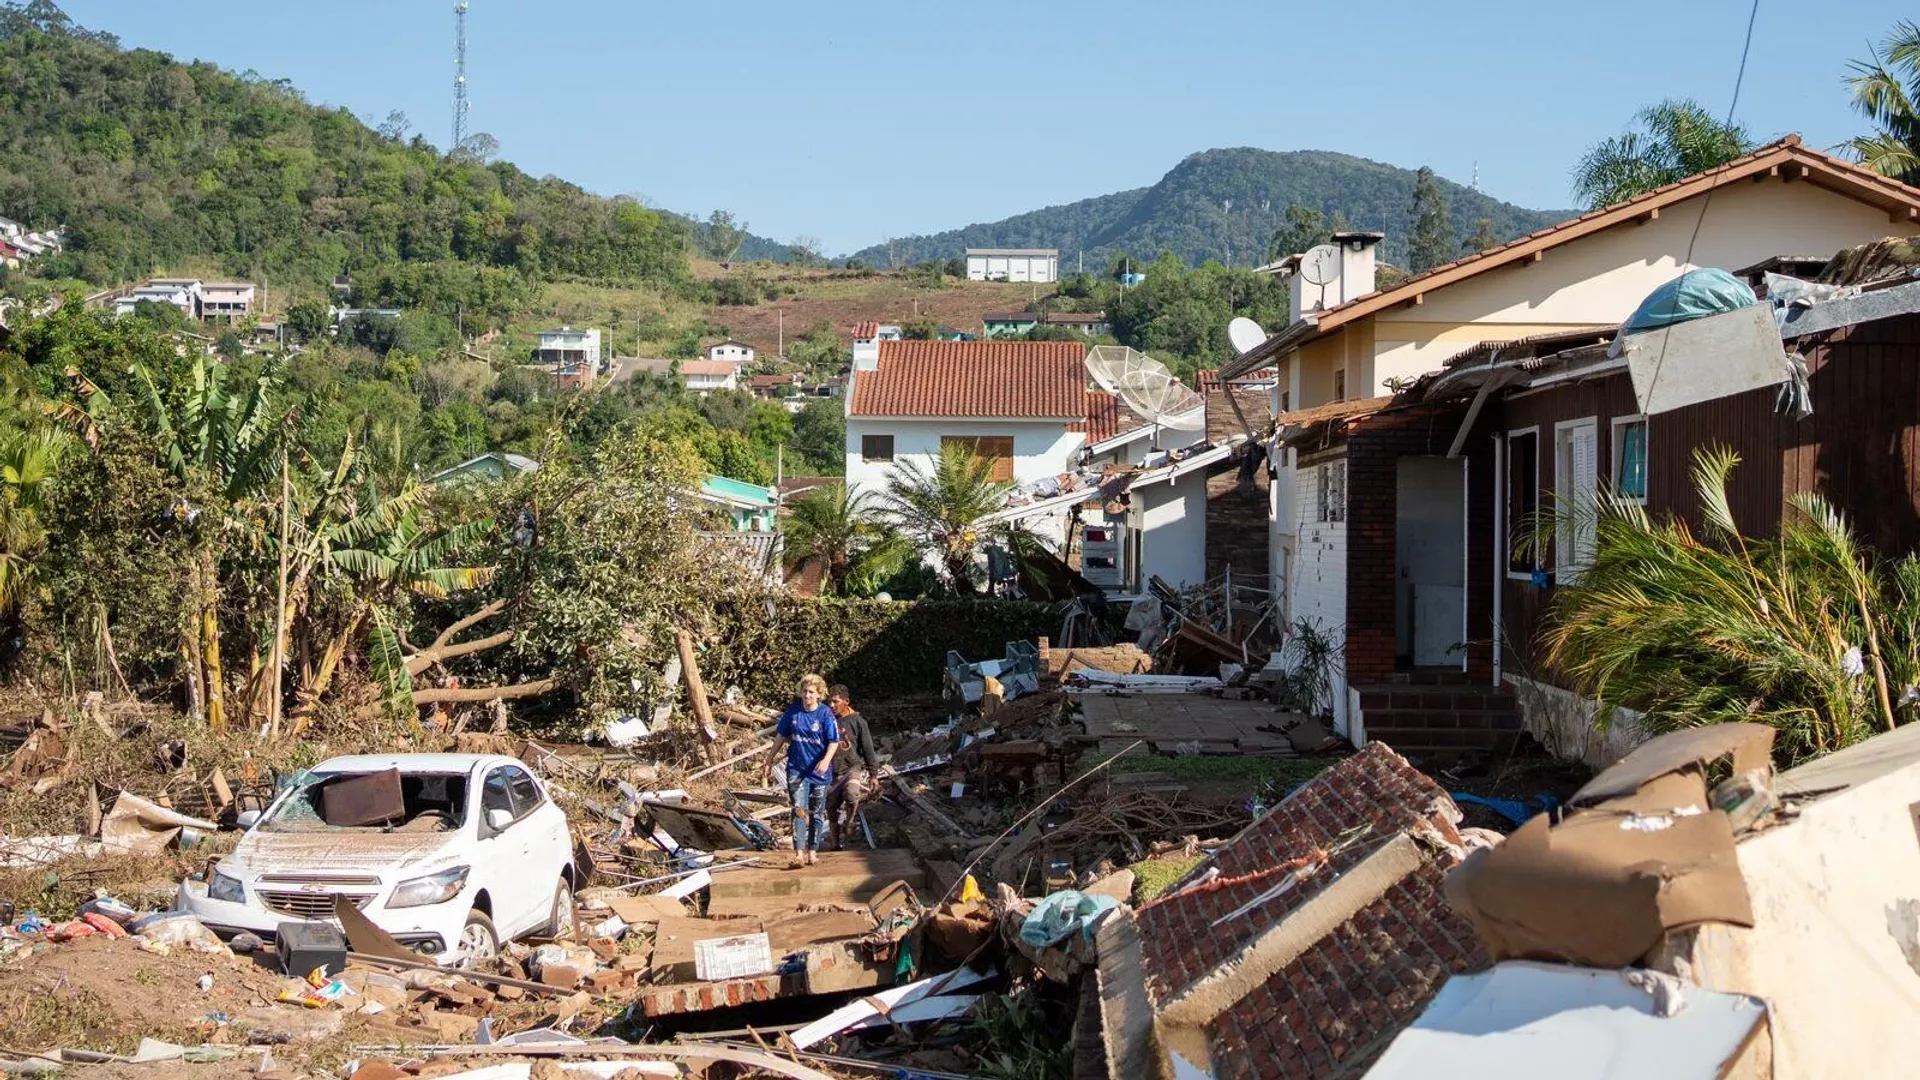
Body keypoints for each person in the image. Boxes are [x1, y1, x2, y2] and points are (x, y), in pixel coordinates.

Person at [766, 673, 838, 868]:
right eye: (805, 691)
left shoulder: (825, 715)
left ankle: (812, 851)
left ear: (819, 695)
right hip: (797, 769)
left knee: (816, 811)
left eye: (811, 692)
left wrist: (826, 760)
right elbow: (781, 736)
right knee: (798, 810)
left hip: (819, 771)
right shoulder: (793, 712)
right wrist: (769, 759)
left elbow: (833, 741)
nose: (807, 696)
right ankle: (798, 854)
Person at [824, 684, 881, 850]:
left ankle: (850, 821)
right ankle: (836, 843)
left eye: (836, 702)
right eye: (830, 702)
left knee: (851, 794)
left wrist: (874, 775)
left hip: (852, 768)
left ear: (846, 701)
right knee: (831, 808)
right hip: (832, 770)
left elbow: (868, 749)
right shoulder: (827, 720)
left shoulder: (858, 722)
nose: (832, 705)